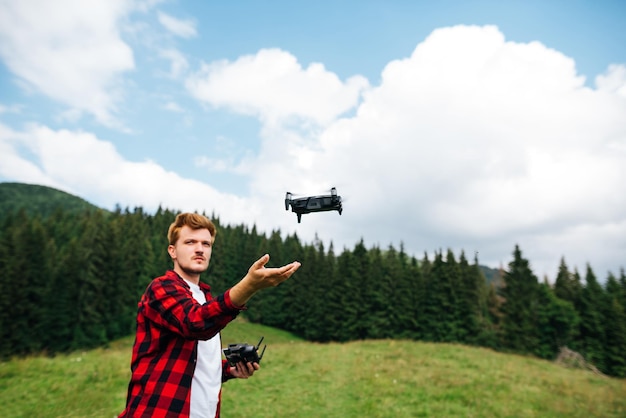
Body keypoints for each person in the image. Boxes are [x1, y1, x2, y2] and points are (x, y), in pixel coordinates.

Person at [118, 212, 301, 418]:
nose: (199, 249)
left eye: (206, 244)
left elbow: (196, 359)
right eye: (190, 242)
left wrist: (228, 370)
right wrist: (250, 286)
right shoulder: (161, 288)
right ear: (173, 251)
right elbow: (195, 323)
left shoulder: (204, 297)